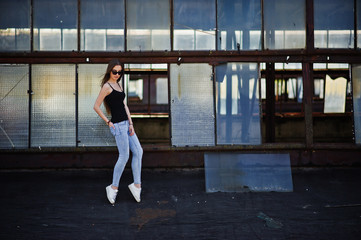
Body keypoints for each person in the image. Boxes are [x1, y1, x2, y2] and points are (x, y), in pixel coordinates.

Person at [93, 59, 143, 204]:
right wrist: (108, 122)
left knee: (139, 151)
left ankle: (136, 185)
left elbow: (124, 105)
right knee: (124, 155)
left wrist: (131, 123)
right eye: (115, 71)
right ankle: (113, 187)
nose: (117, 74)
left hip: (127, 124)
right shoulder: (107, 86)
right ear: (110, 70)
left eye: (120, 72)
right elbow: (96, 106)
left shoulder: (119, 84)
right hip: (118, 126)